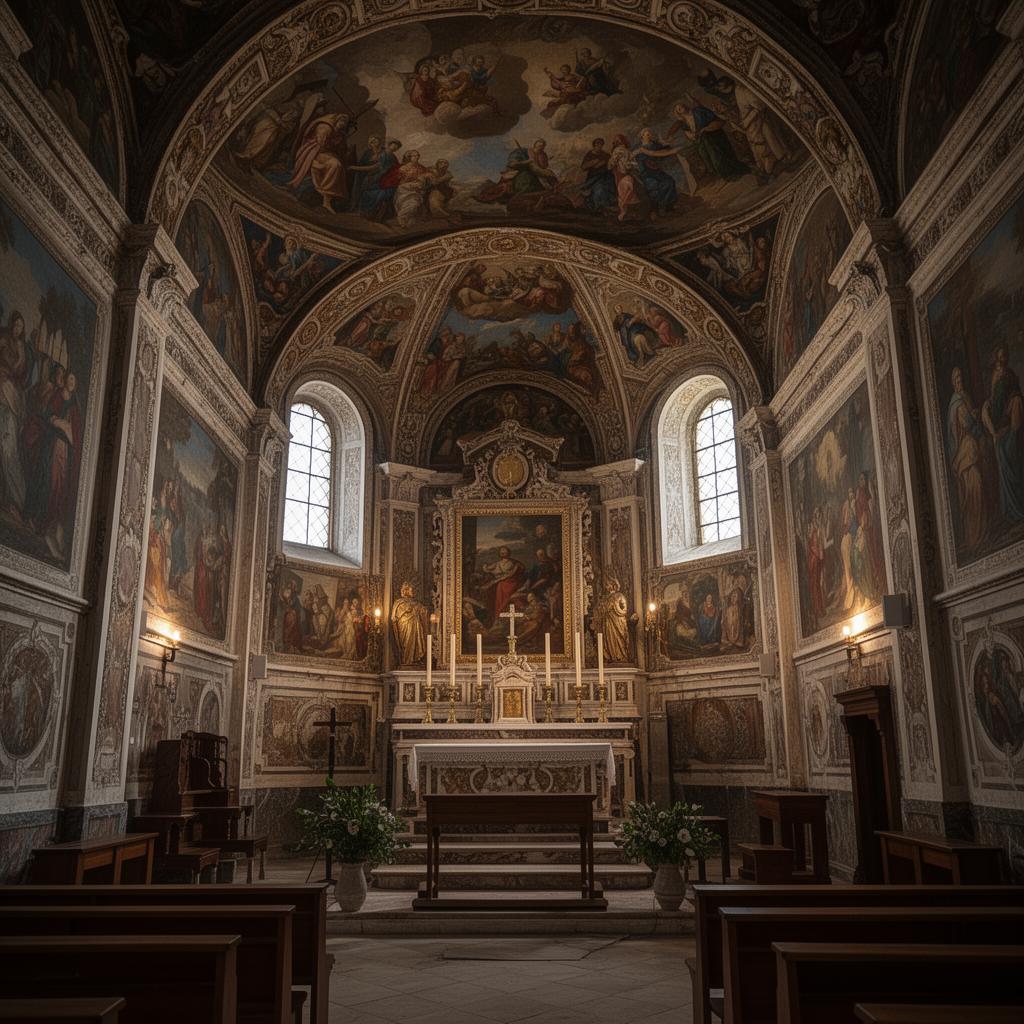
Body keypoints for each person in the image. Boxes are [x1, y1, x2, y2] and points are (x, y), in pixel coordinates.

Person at [982, 342, 1024, 525]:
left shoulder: (1011, 377)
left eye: (1004, 357)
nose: (1002, 361)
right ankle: (1009, 509)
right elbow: (994, 399)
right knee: (1005, 467)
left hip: (1009, 426)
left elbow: (1013, 397)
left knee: (1014, 463)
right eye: (999, 359)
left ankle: (1018, 507)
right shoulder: (995, 376)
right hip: (1000, 428)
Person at [947, 366, 988, 550]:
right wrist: (977, 425)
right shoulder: (957, 403)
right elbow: (967, 422)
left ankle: (980, 533)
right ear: (952, 382)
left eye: (960, 377)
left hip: (970, 448)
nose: (959, 381)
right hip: (965, 452)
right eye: (956, 378)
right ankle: (974, 536)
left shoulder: (964, 398)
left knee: (977, 487)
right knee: (974, 487)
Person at [287, 108, 355, 212]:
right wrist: (335, 144)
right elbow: (322, 145)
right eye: (342, 121)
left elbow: (338, 149)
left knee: (338, 164)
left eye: (345, 123)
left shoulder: (339, 133)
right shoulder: (325, 128)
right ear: (336, 120)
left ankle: (327, 199)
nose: (343, 124)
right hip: (315, 151)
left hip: (326, 153)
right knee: (335, 164)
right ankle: (326, 197)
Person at [593, 576, 631, 663]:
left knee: (618, 639)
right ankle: (611, 656)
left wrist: (616, 610)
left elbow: (624, 610)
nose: (606, 586)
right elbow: (600, 609)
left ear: (614, 585)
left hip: (618, 621)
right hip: (607, 622)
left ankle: (620, 656)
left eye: (608, 584)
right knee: (608, 638)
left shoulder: (619, 596)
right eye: (606, 585)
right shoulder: (605, 598)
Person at [391, 581, 428, 665]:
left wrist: (423, 611)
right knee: (407, 641)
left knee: (416, 640)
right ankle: (406, 659)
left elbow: (422, 610)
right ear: (406, 591)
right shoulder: (398, 602)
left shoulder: (416, 603)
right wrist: (405, 611)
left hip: (416, 626)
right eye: (412, 590)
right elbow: (394, 618)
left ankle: (415, 658)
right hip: (405, 626)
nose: (413, 592)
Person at [580, 138, 616, 212]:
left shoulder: (605, 155)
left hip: (605, 176)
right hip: (593, 177)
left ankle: (606, 206)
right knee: (599, 188)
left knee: (608, 186)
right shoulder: (590, 154)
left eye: (601, 144)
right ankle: (598, 207)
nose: (599, 146)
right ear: (594, 145)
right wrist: (594, 162)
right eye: (597, 144)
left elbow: (611, 164)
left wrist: (605, 163)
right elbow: (583, 167)